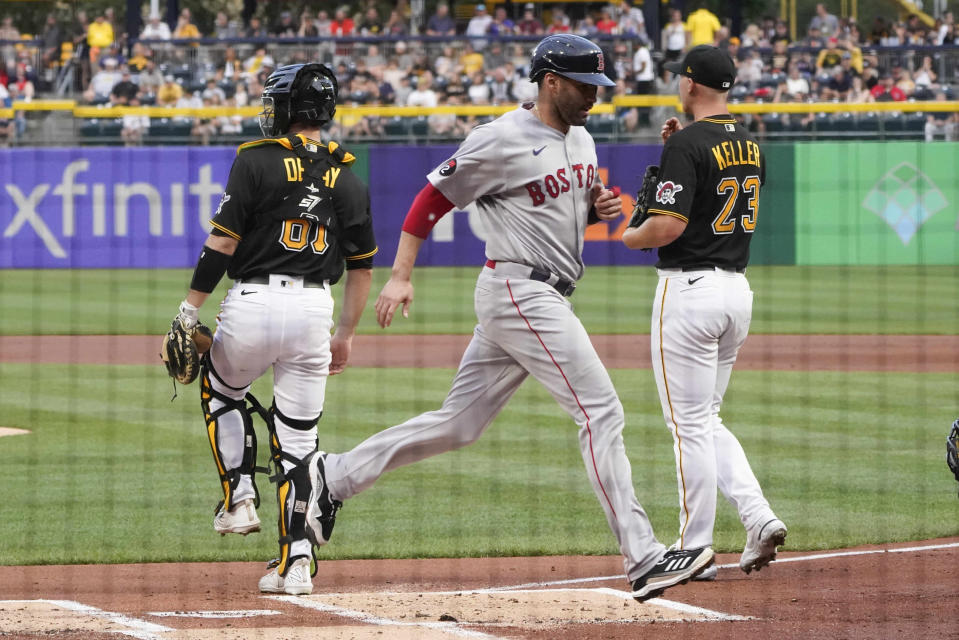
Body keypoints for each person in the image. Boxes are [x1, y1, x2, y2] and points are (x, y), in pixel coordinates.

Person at [304, 34, 714, 603]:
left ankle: (333, 476)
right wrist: (400, 275)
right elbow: (430, 200)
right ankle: (644, 558)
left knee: (460, 424)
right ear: (550, 82)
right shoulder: (500, 138)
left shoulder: (583, 137)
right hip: (520, 290)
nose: (594, 96)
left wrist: (597, 208)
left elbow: (572, 202)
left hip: (542, 294)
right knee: (601, 410)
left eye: (598, 86)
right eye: (583, 85)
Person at [168, 63, 376, 596]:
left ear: (286, 109)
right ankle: (297, 564)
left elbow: (222, 245)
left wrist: (190, 309)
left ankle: (238, 499)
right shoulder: (349, 177)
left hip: (254, 302)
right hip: (314, 314)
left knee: (221, 387)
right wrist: (346, 335)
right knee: (300, 443)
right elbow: (362, 269)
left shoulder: (255, 162)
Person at [621, 45, 787, 582]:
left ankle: (693, 544)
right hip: (737, 290)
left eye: (679, 78)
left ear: (691, 85)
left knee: (687, 424)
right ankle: (758, 516)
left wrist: (629, 236)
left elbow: (665, 227)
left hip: (689, 290)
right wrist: (678, 148)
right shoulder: (750, 145)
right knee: (706, 418)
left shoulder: (689, 143)